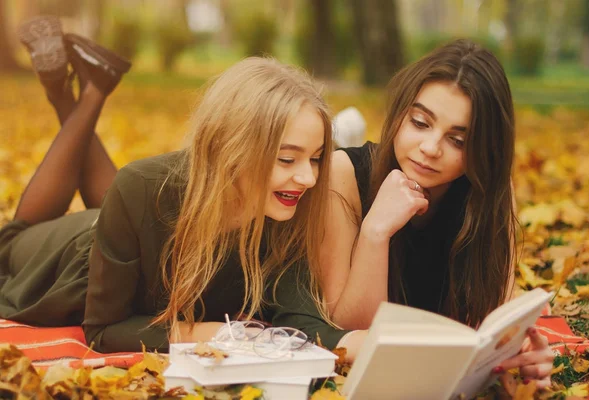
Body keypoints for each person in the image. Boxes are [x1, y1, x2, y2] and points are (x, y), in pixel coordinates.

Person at [0, 16, 348, 353]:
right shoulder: (142, 187)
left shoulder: (286, 211)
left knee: (134, 194)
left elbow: (307, 323)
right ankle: (74, 94)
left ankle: (74, 91)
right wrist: (202, 332)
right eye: (287, 159)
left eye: (316, 157)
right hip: (74, 261)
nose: (309, 178)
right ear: (234, 149)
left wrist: (361, 342)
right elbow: (103, 330)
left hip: (128, 226)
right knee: (12, 239)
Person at [321, 39, 554, 386]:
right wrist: (375, 231)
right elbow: (350, 333)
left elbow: (497, 325)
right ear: (400, 112)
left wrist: (524, 362)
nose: (430, 148)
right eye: (420, 122)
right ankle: (338, 131)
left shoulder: (489, 194)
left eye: (457, 141)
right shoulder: (344, 174)